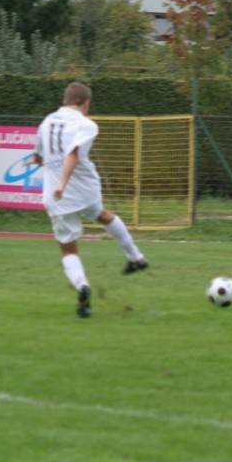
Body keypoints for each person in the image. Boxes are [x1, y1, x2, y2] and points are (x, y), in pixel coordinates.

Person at [28, 82, 149, 318]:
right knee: (103, 215)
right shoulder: (87, 124)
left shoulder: (47, 121)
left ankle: (82, 286)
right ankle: (136, 257)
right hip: (83, 187)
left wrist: (55, 178)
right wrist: (65, 181)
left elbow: (38, 154)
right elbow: (72, 153)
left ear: (65, 100)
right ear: (86, 103)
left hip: (57, 195)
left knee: (68, 249)